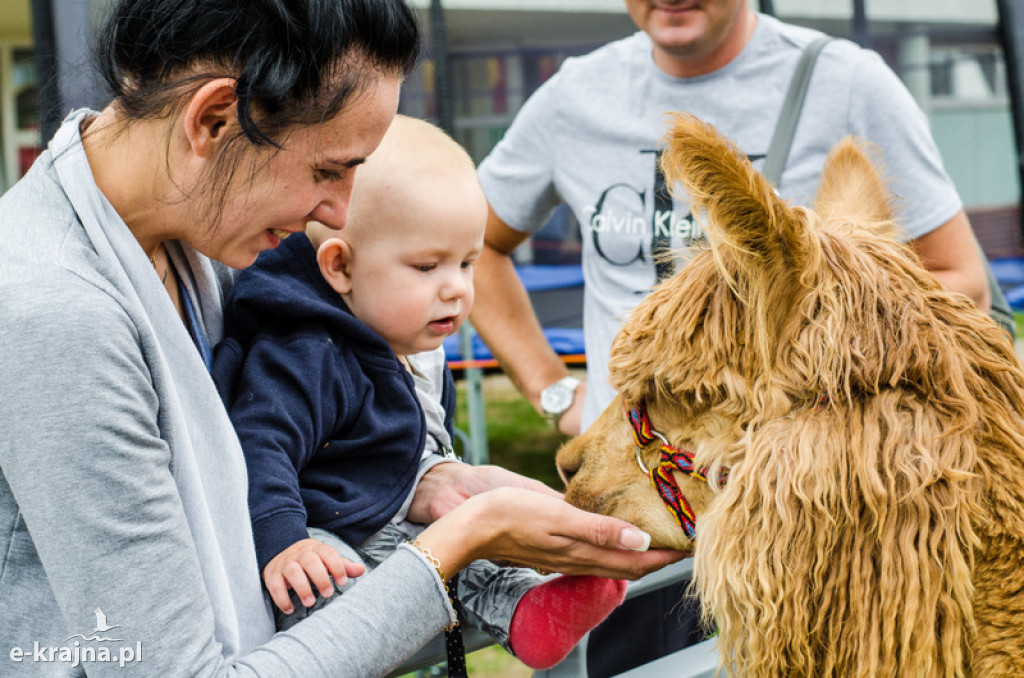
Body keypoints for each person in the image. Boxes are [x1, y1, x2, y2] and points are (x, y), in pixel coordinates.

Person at [0, 1, 683, 676]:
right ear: (212, 119)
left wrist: (426, 481)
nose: (339, 212)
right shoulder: (56, 315)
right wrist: (464, 539)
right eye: (329, 170)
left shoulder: (196, 227)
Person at [470, 0, 991, 674]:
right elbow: (478, 245)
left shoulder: (849, 82)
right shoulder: (575, 96)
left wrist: (806, 327)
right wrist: (555, 392)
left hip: (797, 516)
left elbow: (956, 278)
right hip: (640, 482)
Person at [211, 115, 629, 671]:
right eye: (428, 266)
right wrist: (282, 540)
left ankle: (528, 608)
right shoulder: (307, 350)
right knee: (322, 582)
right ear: (341, 266)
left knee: (476, 554)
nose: (456, 287)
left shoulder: (409, 336)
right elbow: (260, 446)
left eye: (467, 262)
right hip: (326, 526)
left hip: (394, 514)